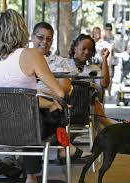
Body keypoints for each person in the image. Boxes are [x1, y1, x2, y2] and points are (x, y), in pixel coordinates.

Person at [0, 9, 64, 183]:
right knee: (53, 112)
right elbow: (60, 92)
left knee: (31, 114)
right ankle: (32, 175)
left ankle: (20, 169)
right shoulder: (31, 55)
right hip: (27, 129)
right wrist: (48, 101)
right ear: (22, 29)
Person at [31, 22, 92, 161]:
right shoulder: (22, 59)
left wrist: (41, 84)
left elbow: (63, 88)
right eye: (40, 37)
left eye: (48, 39)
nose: (44, 42)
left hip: (49, 102)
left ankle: (27, 169)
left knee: (35, 119)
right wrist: (50, 81)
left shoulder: (60, 62)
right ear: (32, 37)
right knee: (33, 117)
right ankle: (65, 148)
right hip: (29, 103)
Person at [68, 33, 113, 127]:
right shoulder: (64, 65)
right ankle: (107, 124)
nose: (87, 52)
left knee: (91, 95)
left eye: (90, 50)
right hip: (68, 105)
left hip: (87, 107)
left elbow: (104, 84)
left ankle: (106, 124)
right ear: (75, 48)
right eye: (83, 48)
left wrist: (104, 59)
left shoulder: (94, 69)